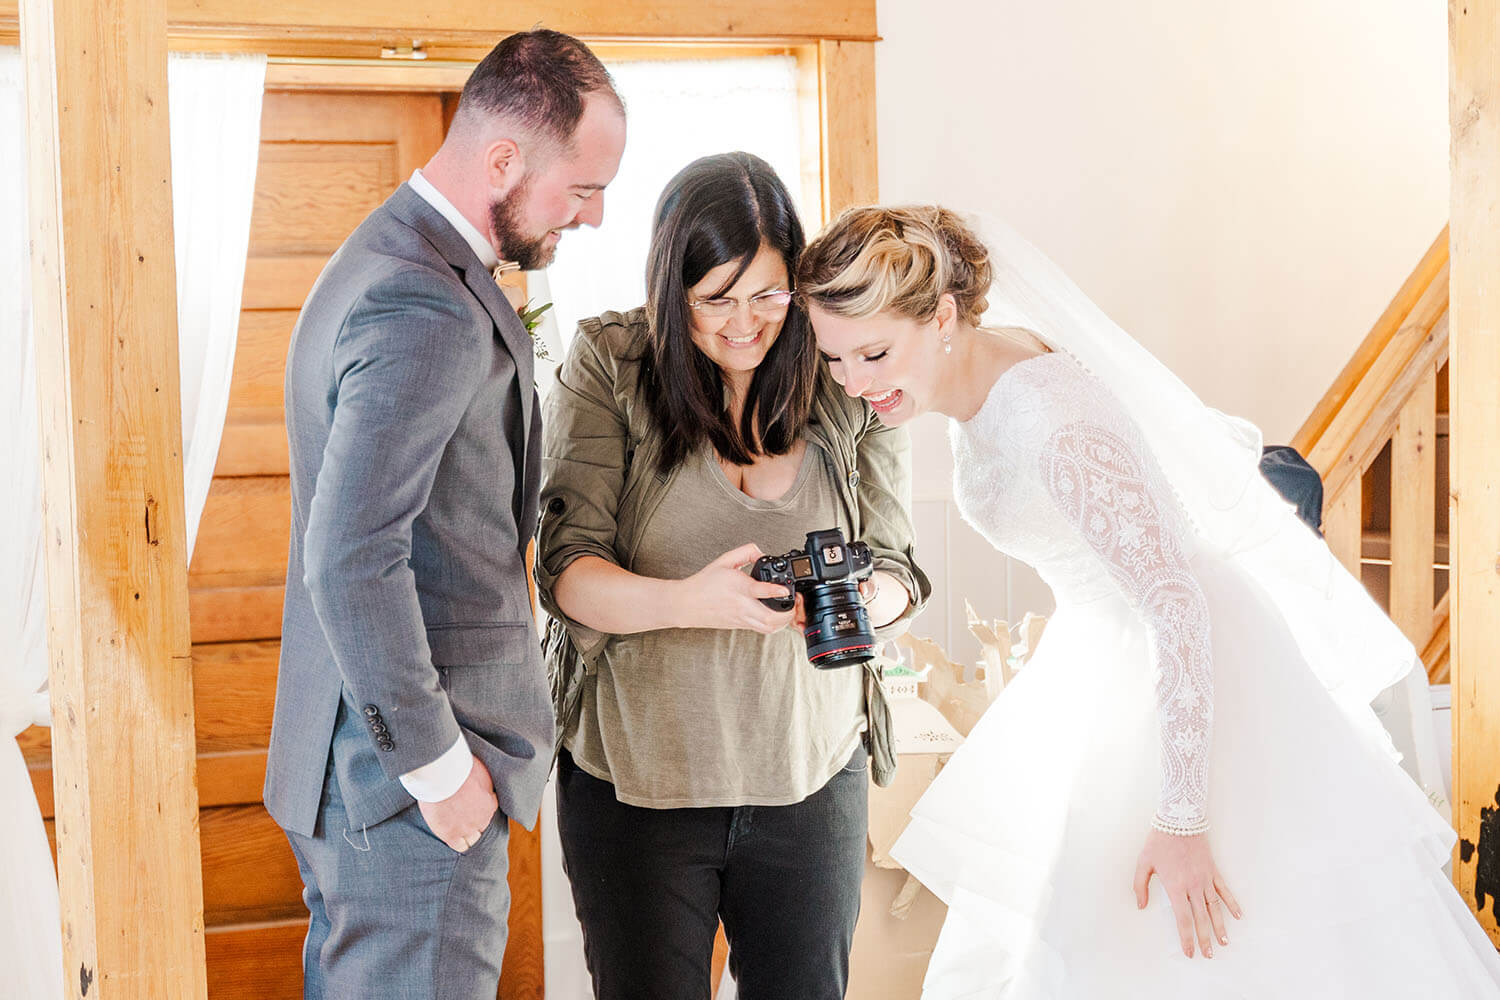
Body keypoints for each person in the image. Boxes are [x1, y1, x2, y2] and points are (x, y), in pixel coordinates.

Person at [798, 206, 1500, 998]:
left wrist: (1182, 819)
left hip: (1183, 666)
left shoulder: (1051, 422)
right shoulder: (972, 381)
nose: (855, 384)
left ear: (946, 316)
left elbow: (1178, 605)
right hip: (1105, 655)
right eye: (837, 360)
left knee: (1196, 945)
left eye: (875, 353)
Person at [264, 30, 625, 999]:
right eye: (581, 191)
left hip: (364, 788)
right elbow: (347, 556)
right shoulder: (421, 301)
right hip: (407, 799)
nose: (589, 220)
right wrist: (437, 767)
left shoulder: (389, 253)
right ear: (504, 159)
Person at [535, 152, 930, 1000]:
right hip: (641, 789)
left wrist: (864, 602)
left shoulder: (845, 375)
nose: (745, 322)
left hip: (810, 781)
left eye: (768, 294)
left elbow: (897, 565)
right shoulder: (612, 363)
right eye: (715, 298)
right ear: (670, 290)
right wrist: (689, 601)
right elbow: (567, 573)